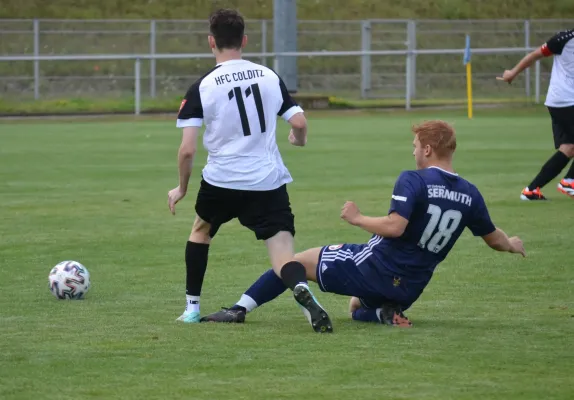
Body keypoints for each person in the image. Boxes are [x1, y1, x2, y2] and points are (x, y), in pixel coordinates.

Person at [201, 120, 526, 328]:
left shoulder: (413, 180)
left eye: (415, 147)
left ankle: (239, 309)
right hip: (410, 287)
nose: (413, 153)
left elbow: (395, 226)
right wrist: (512, 244)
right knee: (357, 308)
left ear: (427, 149)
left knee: (293, 263)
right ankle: (385, 314)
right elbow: (494, 239)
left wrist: (357, 218)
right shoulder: (470, 194)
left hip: (374, 267)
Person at [168, 8, 332, 333]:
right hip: (267, 180)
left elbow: (187, 149)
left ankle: (191, 309)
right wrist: (298, 139)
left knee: (201, 231)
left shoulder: (202, 86)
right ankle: (301, 290)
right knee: (283, 254)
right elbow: (298, 121)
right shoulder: (268, 76)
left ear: (211, 42)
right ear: (243, 40)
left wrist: (182, 188)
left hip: (222, 180)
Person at [499, 29, 574, 200]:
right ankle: (569, 181)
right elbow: (535, 54)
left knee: (569, 148)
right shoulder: (564, 39)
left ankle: (531, 191)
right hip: (564, 101)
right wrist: (513, 72)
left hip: (563, 102)